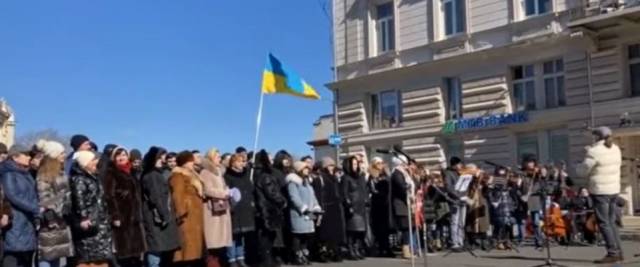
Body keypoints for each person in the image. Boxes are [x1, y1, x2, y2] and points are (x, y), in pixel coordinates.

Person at [576, 126, 623, 264]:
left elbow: (583, 171)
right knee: (612, 222)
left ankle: (612, 253)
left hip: (600, 190)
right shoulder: (615, 148)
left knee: (604, 223)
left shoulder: (594, 151)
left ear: (597, 137)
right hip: (614, 189)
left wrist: (582, 159)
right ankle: (619, 251)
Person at [69, 151, 113, 267]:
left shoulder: (93, 176)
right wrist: (84, 217)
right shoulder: (79, 179)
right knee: (88, 257)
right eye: (92, 160)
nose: (96, 162)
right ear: (85, 163)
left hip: (100, 220)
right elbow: (79, 199)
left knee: (101, 256)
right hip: (89, 222)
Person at [104, 147, 147, 267]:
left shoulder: (132, 171)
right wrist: (115, 216)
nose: (121, 157)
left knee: (136, 252)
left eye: (124, 154)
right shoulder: (111, 172)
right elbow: (109, 196)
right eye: (118, 155)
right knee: (124, 252)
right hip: (122, 216)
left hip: (135, 216)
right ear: (114, 158)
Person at [35, 140, 74, 267]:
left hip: (62, 217)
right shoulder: (44, 173)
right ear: (54, 155)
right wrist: (50, 217)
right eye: (61, 153)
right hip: (50, 221)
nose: (64, 155)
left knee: (57, 253)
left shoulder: (61, 172)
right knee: (47, 254)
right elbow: (44, 197)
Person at [0, 145, 40, 267]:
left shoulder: (25, 173)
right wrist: (35, 208)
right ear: (15, 157)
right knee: (13, 254)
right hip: (15, 218)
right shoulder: (8, 173)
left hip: (27, 219)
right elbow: (13, 196)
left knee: (25, 255)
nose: (29, 157)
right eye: (26, 155)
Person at [141, 147, 180, 267]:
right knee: (156, 248)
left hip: (158, 216)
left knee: (160, 248)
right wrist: (165, 215)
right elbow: (156, 197)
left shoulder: (156, 173)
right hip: (156, 218)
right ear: (156, 158)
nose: (165, 158)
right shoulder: (153, 175)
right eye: (162, 156)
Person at [170, 151, 205, 267]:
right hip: (187, 216)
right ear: (184, 162)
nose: (192, 163)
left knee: (195, 246)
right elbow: (177, 195)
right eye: (190, 161)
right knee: (188, 246)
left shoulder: (193, 174)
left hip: (196, 215)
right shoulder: (178, 175)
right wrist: (182, 212)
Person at [254, 150, 288, 267]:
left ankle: (267, 259)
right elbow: (272, 193)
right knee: (267, 236)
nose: (272, 160)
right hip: (269, 209)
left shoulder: (256, 174)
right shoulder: (265, 176)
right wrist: (283, 201)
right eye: (270, 158)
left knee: (266, 236)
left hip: (263, 209)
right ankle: (267, 261)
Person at [200, 148, 233, 267]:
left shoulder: (219, 172)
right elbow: (207, 190)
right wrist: (223, 193)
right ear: (211, 158)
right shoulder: (206, 172)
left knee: (221, 243)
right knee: (213, 242)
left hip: (222, 209)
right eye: (217, 156)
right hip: (212, 211)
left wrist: (229, 191)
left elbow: (222, 187)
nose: (220, 158)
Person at [287, 161, 322, 265]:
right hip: (299, 214)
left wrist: (316, 207)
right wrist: (303, 208)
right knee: (298, 235)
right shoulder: (293, 183)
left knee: (307, 235)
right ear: (299, 170)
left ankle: (304, 254)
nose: (307, 170)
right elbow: (294, 197)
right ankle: (297, 255)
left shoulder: (308, 183)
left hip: (309, 213)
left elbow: (313, 197)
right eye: (305, 168)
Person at [312, 157, 346, 263]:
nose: (332, 168)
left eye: (333, 165)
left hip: (335, 207)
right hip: (326, 207)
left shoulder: (334, 178)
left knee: (335, 232)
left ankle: (334, 251)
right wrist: (319, 208)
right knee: (325, 232)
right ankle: (323, 252)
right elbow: (318, 194)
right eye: (329, 165)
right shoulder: (320, 178)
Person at [224, 154, 256, 267]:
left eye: (243, 161)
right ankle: (232, 259)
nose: (242, 163)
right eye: (239, 161)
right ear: (233, 163)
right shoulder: (227, 176)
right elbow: (227, 192)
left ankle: (240, 257)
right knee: (233, 235)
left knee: (242, 236)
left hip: (246, 209)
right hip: (234, 209)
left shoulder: (246, 175)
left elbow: (250, 190)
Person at [341, 155, 368, 261]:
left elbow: (364, 190)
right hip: (353, 207)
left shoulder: (359, 177)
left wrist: (366, 200)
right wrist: (348, 205)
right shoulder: (346, 177)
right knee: (352, 230)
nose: (356, 166)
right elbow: (344, 193)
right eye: (354, 164)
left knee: (360, 231)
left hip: (361, 207)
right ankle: (351, 250)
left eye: (357, 164)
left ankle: (357, 248)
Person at [367, 157, 394, 257]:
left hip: (385, 204)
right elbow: (373, 190)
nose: (381, 165)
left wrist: (387, 173)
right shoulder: (372, 176)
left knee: (386, 228)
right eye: (378, 163)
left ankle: (387, 247)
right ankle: (381, 248)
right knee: (379, 228)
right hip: (376, 205)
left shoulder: (385, 175)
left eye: (382, 163)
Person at [390, 155, 416, 259]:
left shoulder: (405, 173)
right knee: (405, 227)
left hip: (407, 203)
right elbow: (401, 187)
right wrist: (408, 187)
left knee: (410, 226)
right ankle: (405, 249)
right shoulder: (397, 173)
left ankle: (408, 248)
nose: (406, 164)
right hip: (401, 203)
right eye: (404, 163)